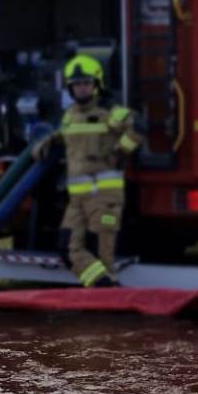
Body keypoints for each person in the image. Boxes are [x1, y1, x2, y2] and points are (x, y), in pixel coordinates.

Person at [36, 53, 141, 288]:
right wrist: (50, 140)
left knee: (102, 257)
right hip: (77, 201)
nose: (81, 88)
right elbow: (68, 135)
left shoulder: (110, 112)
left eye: (86, 83)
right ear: (70, 88)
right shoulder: (70, 115)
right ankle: (106, 289)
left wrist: (119, 152)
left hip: (104, 199)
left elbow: (138, 129)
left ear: (97, 84)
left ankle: (106, 297)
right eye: (76, 84)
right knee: (67, 248)